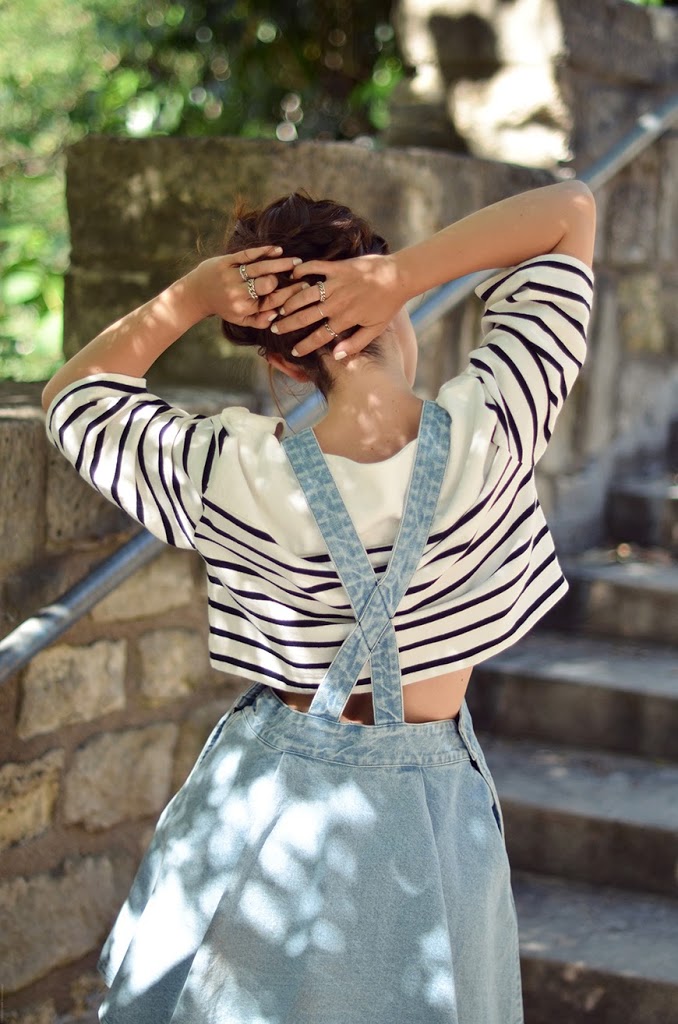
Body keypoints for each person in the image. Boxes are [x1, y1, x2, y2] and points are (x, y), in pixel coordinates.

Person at [42, 178, 596, 1024]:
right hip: (436, 824)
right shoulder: (497, 427)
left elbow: (74, 396)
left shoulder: (232, 473)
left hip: (271, 820)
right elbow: (569, 213)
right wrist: (403, 274)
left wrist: (193, 294)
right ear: (382, 302)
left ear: (275, 357)